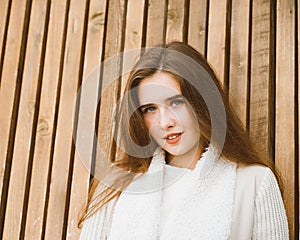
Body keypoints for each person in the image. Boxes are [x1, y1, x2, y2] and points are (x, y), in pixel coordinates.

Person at [78, 42, 289, 239]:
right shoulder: (115, 184)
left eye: (176, 102)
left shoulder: (254, 182)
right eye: (150, 109)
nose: (165, 122)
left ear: (202, 101)